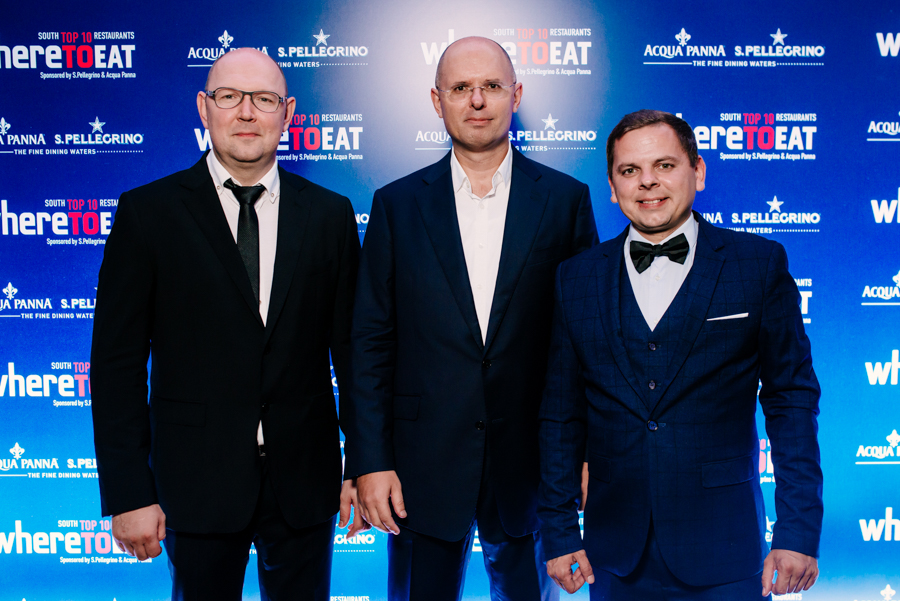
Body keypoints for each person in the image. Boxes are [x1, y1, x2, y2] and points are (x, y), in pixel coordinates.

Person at [90, 48, 362, 601]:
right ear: (203, 107)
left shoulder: (330, 215)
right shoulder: (148, 212)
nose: (246, 112)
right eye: (229, 96)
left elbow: (355, 356)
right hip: (194, 483)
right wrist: (128, 492)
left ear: (287, 112)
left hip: (305, 482)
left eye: (263, 99)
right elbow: (116, 365)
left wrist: (362, 464)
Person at [339, 36, 598, 601]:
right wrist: (369, 462)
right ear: (438, 101)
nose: (477, 100)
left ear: (516, 96)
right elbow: (370, 343)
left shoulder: (565, 200)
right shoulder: (396, 205)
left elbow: (585, 342)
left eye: (491, 86)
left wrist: (583, 453)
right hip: (419, 470)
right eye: (460, 88)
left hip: (532, 468)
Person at [538, 109, 823, 600]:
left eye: (665, 165)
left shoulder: (757, 265)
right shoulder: (575, 278)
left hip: (725, 547)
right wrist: (561, 531)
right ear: (612, 187)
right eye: (630, 170)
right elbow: (560, 416)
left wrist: (796, 531)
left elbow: (791, 401)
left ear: (698, 171)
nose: (648, 182)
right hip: (614, 554)